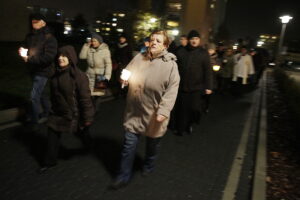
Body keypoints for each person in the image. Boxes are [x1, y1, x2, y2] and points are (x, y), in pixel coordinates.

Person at [111, 30, 180, 189]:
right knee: (128, 145)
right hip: (134, 111)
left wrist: (163, 111)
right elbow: (127, 71)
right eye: (152, 39)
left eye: (158, 40)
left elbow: (172, 90)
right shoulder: (138, 58)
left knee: (152, 144)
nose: (154, 42)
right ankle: (123, 176)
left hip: (154, 114)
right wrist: (124, 78)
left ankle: (149, 164)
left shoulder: (170, 65)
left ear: (165, 45)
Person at [38, 45, 94, 173]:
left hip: (74, 114)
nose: (60, 58)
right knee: (52, 134)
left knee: (82, 132)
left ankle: (90, 146)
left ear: (71, 58)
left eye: (64, 56)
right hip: (57, 113)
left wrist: (87, 118)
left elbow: (85, 99)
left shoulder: (79, 76)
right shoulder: (55, 73)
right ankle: (49, 161)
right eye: (59, 56)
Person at [18, 13, 57, 127]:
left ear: (43, 22)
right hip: (33, 69)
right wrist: (22, 49)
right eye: (33, 21)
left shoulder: (49, 38)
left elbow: (48, 57)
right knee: (42, 94)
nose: (33, 22)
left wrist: (29, 59)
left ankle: (34, 121)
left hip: (43, 71)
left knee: (34, 96)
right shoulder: (30, 35)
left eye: (37, 21)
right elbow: (25, 46)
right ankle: (48, 112)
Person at [175, 30, 213, 136]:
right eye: (192, 39)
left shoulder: (203, 53)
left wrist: (208, 86)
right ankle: (181, 129)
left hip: (197, 87)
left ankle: (190, 123)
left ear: (199, 40)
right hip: (182, 86)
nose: (194, 41)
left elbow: (208, 71)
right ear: (189, 40)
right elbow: (175, 68)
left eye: (196, 39)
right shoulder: (181, 52)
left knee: (194, 108)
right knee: (182, 109)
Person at [79, 33, 112, 100]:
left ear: (99, 41)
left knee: (98, 95)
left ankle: (95, 109)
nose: (93, 43)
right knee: (88, 95)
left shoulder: (105, 51)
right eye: (92, 41)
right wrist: (86, 46)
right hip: (89, 74)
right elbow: (82, 57)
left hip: (100, 75)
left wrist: (107, 76)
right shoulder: (89, 49)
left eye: (95, 41)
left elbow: (108, 64)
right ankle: (91, 109)